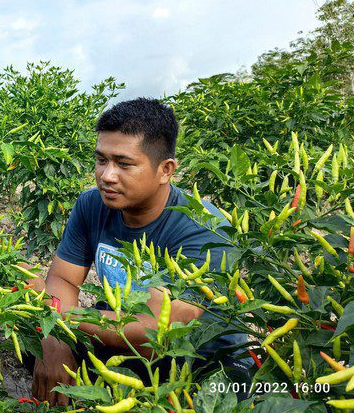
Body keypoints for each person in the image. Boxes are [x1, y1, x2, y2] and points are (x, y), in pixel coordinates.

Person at [29, 97, 252, 406]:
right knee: (33, 347)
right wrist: (54, 338)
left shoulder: (206, 228)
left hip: (200, 355)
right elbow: (64, 281)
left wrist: (59, 317)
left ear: (165, 170)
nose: (106, 175)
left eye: (124, 163)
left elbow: (155, 334)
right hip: (124, 328)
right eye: (101, 160)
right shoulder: (91, 204)